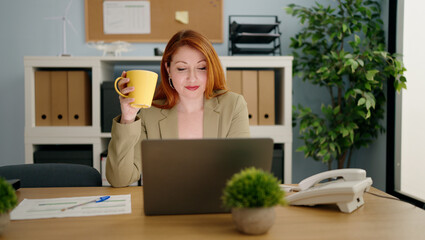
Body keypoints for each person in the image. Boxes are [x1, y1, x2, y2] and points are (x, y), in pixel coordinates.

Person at [106, 30, 250, 187]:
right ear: (168, 69)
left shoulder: (233, 105)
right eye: (182, 69)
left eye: (202, 68)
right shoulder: (150, 113)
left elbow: (241, 172)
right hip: (167, 205)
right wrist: (128, 118)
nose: (192, 78)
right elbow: (119, 180)